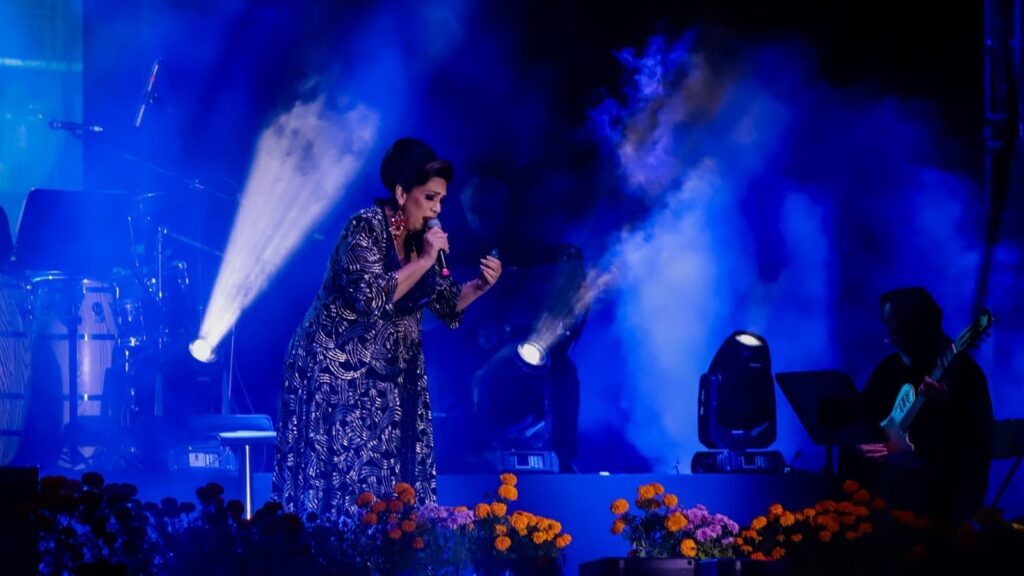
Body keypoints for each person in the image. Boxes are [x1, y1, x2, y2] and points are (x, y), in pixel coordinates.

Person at [273, 137, 502, 516]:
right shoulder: (365, 227)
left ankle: (394, 547)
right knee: (344, 485)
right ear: (401, 193)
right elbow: (371, 297)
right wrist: (425, 260)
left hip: (392, 380)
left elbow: (446, 305)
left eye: (441, 200)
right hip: (337, 375)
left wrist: (479, 286)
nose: (437, 209)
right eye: (430, 198)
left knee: (393, 486)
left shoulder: (419, 242)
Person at [842, 287, 993, 528]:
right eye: (889, 330)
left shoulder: (965, 374)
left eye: (896, 331)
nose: (891, 339)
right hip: (888, 490)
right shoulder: (889, 369)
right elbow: (865, 417)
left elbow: (975, 444)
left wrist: (947, 405)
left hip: (941, 495)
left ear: (919, 328)